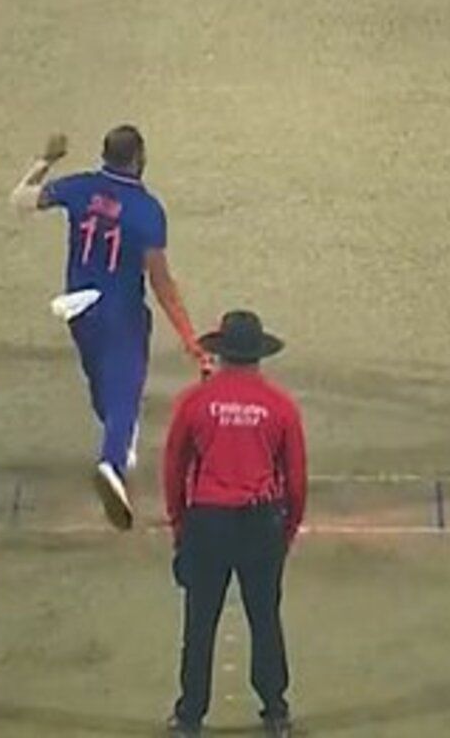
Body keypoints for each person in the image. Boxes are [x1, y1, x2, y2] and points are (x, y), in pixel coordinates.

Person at [10, 126, 206, 530]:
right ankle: (112, 463)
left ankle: (122, 444)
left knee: (104, 387)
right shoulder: (147, 210)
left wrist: (46, 160)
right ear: (138, 158)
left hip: (77, 306)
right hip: (120, 310)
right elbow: (161, 282)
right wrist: (189, 337)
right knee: (125, 393)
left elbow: (21, 201)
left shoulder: (81, 186)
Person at [162, 311, 307, 737]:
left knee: (199, 621)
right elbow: (295, 478)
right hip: (262, 522)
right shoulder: (281, 405)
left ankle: (190, 716)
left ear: (221, 352)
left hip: (208, 523)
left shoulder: (194, 402)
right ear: (259, 355)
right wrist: (287, 530)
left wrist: (180, 525)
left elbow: (175, 469)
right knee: (265, 618)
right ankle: (276, 711)